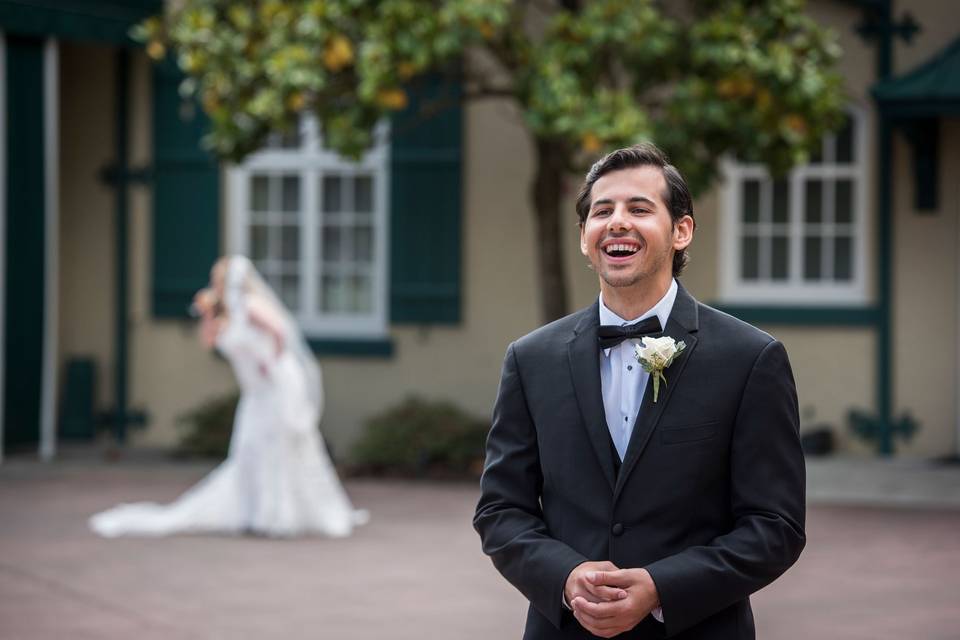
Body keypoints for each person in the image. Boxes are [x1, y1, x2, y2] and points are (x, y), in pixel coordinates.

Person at [474, 143, 804, 639]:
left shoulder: (750, 359)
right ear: (584, 238)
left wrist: (661, 587)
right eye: (601, 211)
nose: (617, 222)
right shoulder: (530, 359)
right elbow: (501, 510)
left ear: (682, 231)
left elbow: (775, 526)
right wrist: (563, 576)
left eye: (639, 208)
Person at [90, 255, 368, 538]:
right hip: (255, 394)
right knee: (250, 448)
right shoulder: (228, 314)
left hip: (274, 387)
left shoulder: (250, 305)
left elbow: (281, 331)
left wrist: (270, 360)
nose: (215, 286)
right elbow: (208, 341)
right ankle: (255, 512)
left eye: (217, 280)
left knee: (278, 447)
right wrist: (208, 314)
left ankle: (279, 515)